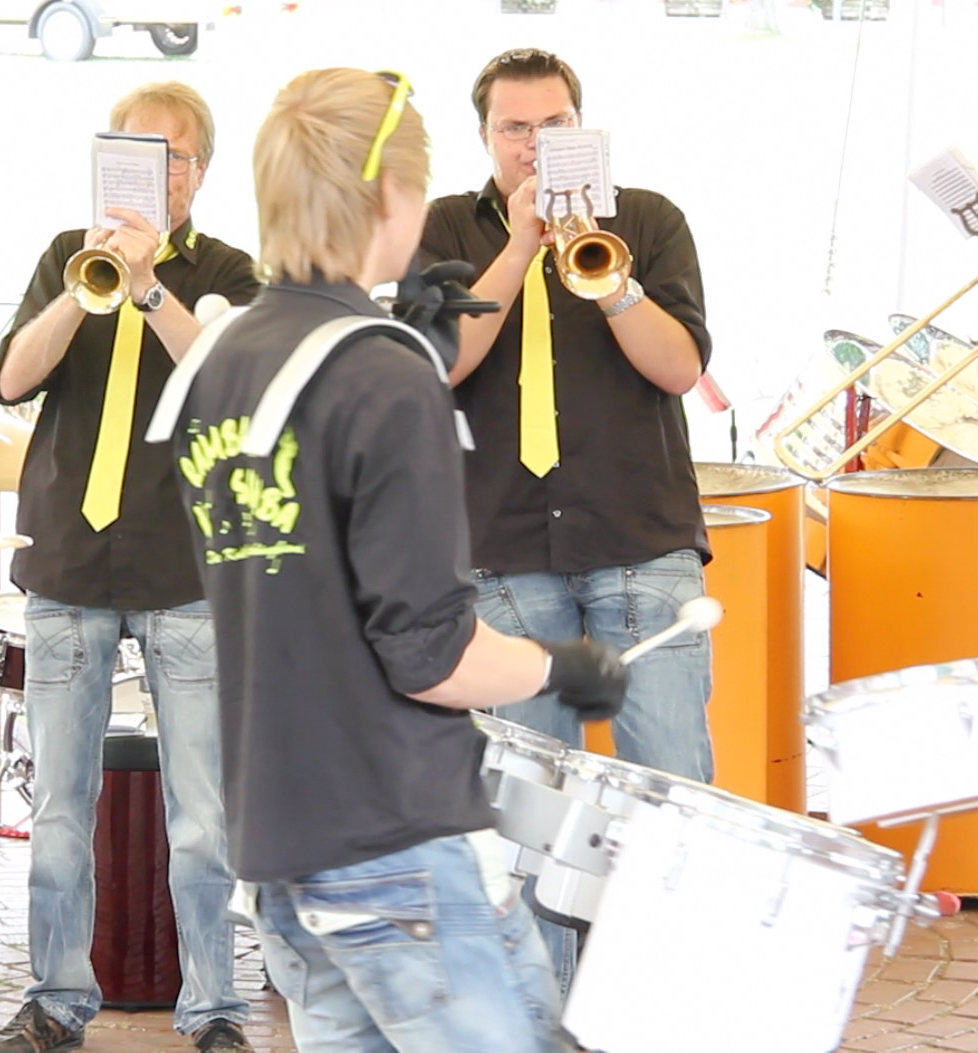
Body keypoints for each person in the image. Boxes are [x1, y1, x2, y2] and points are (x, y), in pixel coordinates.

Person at [157, 66, 629, 1053]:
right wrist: (560, 666)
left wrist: (402, 336)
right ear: (392, 195)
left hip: (278, 836)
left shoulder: (222, 357)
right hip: (395, 837)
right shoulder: (380, 373)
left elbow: (299, 565)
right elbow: (433, 657)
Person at [416, 46, 715, 986]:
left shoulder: (650, 220)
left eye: (554, 126)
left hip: (639, 543)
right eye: (515, 128)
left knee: (670, 789)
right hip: (504, 551)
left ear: (583, 127)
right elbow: (439, 364)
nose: (534, 145)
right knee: (527, 815)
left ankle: (657, 1005)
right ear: (485, 137)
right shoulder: (446, 226)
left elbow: (680, 368)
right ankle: (541, 1014)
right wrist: (518, 246)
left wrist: (607, 275)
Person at [0, 81, 260, 1053]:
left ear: (198, 172)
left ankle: (214, 1009)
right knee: (59, 809)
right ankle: (56, 1000)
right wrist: (85, 283)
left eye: (166, 157)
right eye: (128, 154)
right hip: (69, 561)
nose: (147, 174)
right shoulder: (68, 254)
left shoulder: (228, 271)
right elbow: (13, 378)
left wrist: (148, 286)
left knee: (204, 818)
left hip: (185, 570)